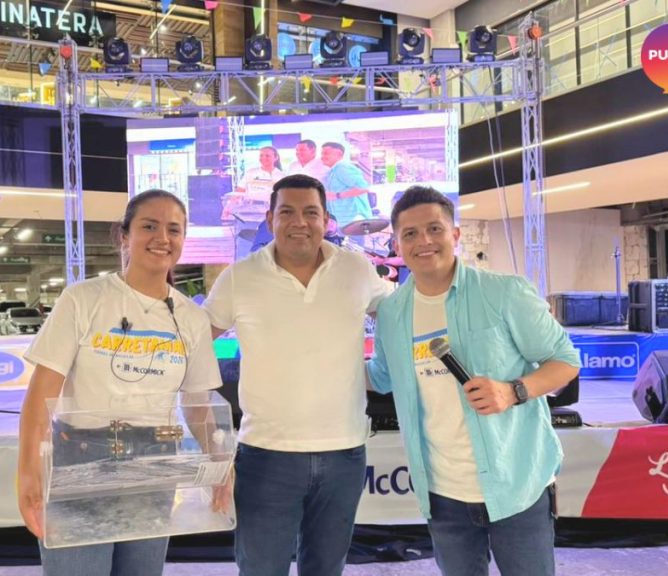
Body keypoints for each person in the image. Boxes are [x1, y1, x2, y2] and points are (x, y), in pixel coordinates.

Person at [367, 186, 581, 576]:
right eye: (410, 234)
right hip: (442, 494)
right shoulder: (393, 312)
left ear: (455, 234)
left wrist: (513, 391)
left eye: (434, 229)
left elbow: (566, 361)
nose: (424, 241)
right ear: (397, 245)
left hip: (516, 483)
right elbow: (380, 377)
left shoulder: (504, 293)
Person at [17, 189, 225, 576]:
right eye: (149, 226)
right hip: (81, 456)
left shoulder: (191, 318)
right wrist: (28, 469)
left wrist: (220, 463)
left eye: (174, 229)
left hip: (155, 462)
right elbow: (42, 392)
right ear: (124, 236)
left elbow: (197, 404)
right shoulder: (83, 299)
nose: (162, 238)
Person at [204, 173, 390, 576]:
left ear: (326, 220)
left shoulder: (357, 269)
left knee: (326, 568)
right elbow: (197, 342)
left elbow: (401, 314)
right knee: (261, 569)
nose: (299, 222)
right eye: (287, 212)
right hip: (265, 454)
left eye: (311, 212)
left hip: (344, 453)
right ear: (270, 219)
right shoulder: (239, 276)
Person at [321, 141, 373, 228]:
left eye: (326, 153)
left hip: (353, 221)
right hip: (342, 222)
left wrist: (337, 195)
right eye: (322, 154)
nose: (322, 157)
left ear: (339, 154)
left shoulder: (342, 168)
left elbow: (363, 188)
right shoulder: (333, 171)